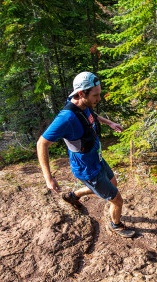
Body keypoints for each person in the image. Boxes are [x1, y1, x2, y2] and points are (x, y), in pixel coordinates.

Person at [37, 71, 135, 238]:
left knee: (113, 184)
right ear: (81, 94)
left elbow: (91, 115)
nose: (99, 98)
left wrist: (109, 123)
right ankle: (116, 225)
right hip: (87, 170)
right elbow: (42, 143)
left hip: (97, 159)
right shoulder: (66, 118)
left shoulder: (84, 106)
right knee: (117, 200)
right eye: (96, 95)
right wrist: (49, 178)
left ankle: (74, 196)